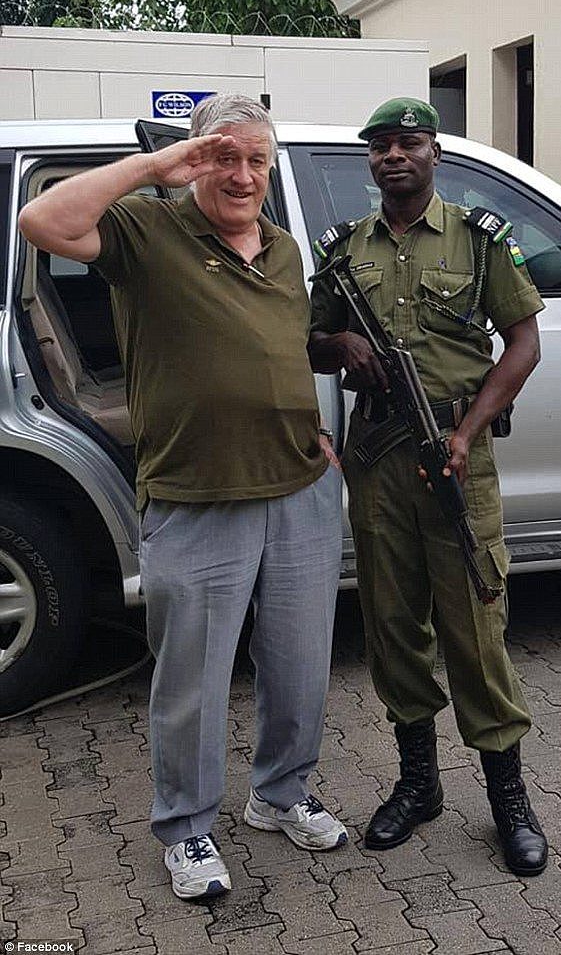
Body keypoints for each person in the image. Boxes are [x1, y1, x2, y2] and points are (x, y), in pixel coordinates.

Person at [19, 93, 348, 902]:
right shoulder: (145, 230)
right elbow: (43, 224)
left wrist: (312, 432)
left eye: (256, 161)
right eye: (222, 156)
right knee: (193, 677)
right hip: (198, 492)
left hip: (298, 484)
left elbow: (277, 350)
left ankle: (280, 795)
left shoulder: (281, 249)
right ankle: (187, 828)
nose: (241, 175)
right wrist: (157, 168)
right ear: (194, 158)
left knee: (301, 665)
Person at [309, 97, 548, 876]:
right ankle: (420, 785)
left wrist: (468, 429)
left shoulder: (480, 243)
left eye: (407, 143)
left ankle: (508, 798)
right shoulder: (346, 250)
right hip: (377, 458)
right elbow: (309, 343)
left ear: (434, 152)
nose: (392, 156)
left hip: (455, 455)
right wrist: (339, 341)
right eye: (379, 147)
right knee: (390, 622)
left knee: (475, 628)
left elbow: (524, 343)